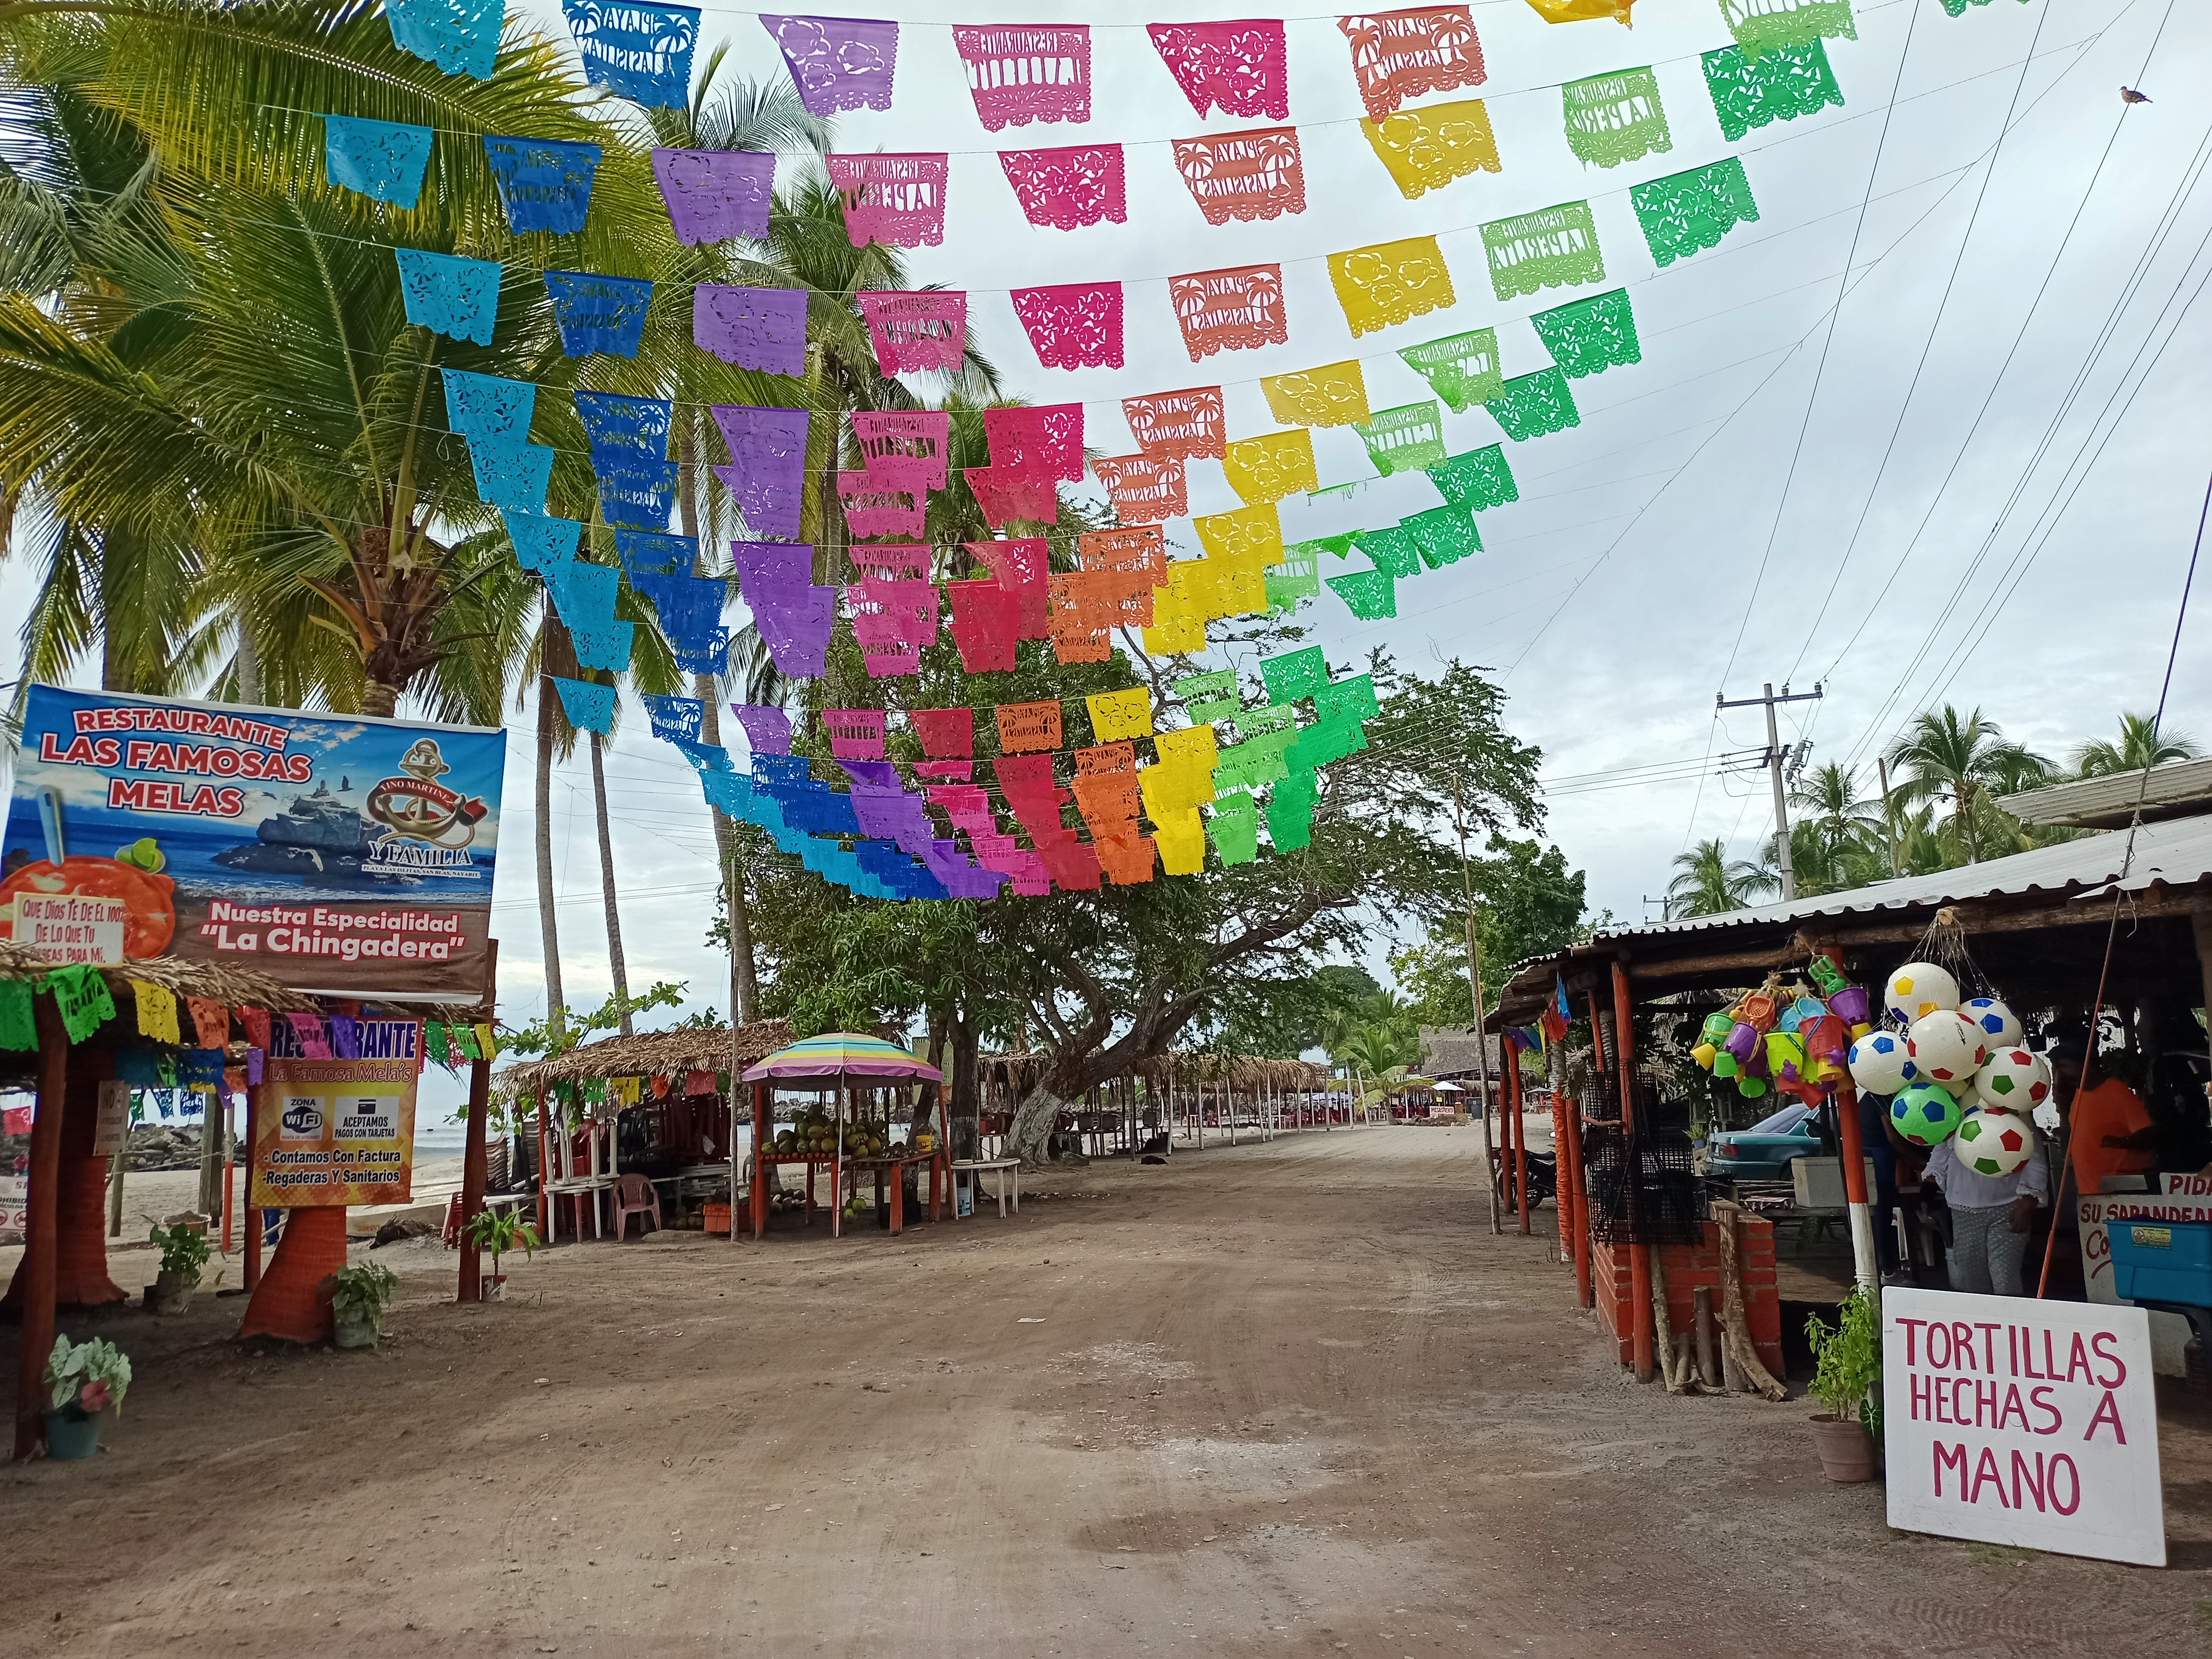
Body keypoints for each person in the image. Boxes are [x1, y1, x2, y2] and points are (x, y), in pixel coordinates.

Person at [1923, 1126, 2050, 1296]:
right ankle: (1981, 1321)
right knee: (1971, 1281)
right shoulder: (1955, 1114)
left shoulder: (2016, 1111)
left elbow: (2034, 1155)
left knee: (2005, 1278)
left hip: (2008, 1209)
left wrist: (2028, 1202)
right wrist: (1928, 1188)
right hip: (1963, 1212)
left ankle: (2009, 1320)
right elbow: (1943, 1150)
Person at [2050, 1037, 2157, 1195]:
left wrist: (2120, 1142)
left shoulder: (2117, 1093)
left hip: (2119, 1195)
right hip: (2089, 1196)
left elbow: (2150, 1139)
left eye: (2064, 1067)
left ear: (2086, 1064)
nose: (2060, 1074)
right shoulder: (2079, 1095)